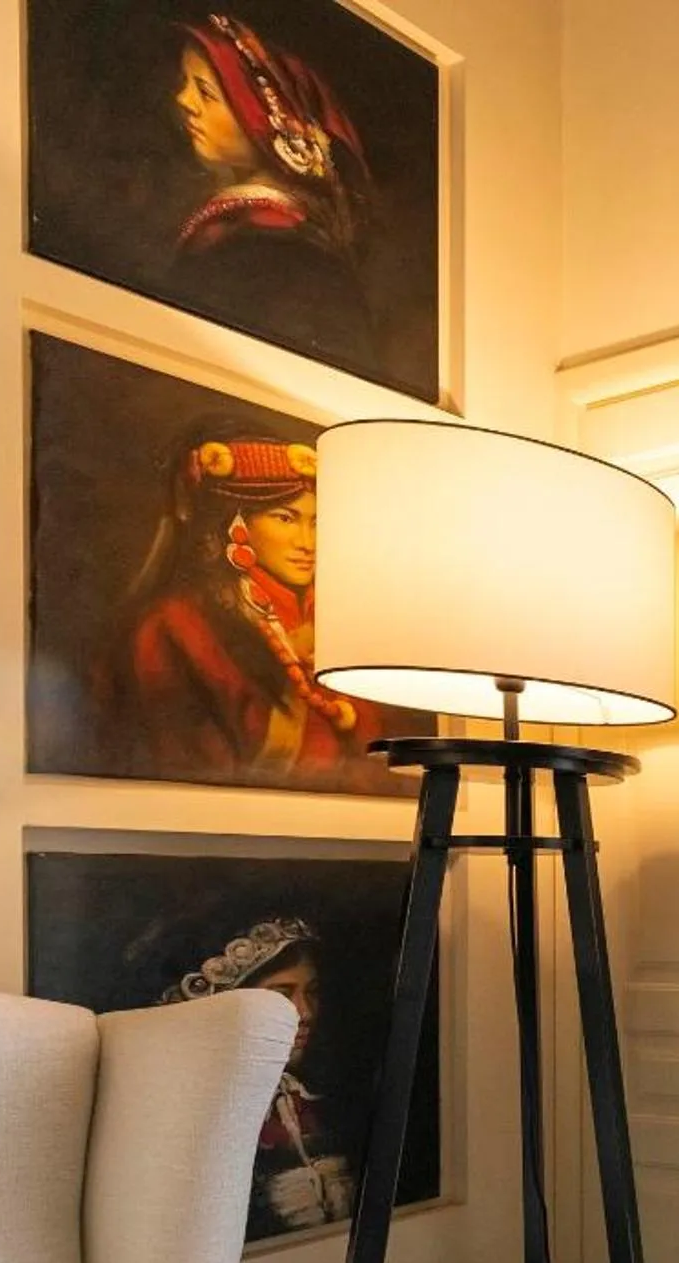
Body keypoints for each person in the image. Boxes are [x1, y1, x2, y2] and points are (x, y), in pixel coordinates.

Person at [101, 428, 407, 792]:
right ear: (237, 524)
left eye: (317, 523)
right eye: (285, 518)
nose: (307, 543)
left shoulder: (341, 626)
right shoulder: (176, 626)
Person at [168, 15, 379, 373]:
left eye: (206, 92)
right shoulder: (251, 222)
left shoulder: (271, 240)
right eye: (185, 83)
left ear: (261, 117)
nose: (183, 100)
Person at [160, 915, 357, 1244]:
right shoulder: (193, 1110)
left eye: (312, 992)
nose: (305, 1012)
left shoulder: (311, 1101)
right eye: (282, 995)